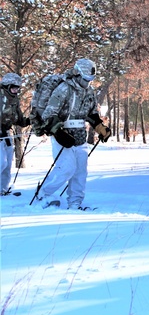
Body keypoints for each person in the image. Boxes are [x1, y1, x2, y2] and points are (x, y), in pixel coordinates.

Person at [35, 59, 111, 210]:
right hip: (63, 135)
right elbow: (50, 114)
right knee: (66, 168)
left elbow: (91, 113)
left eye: (90, 79)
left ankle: (75, 203)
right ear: (77, 74)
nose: (88, 82)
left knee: (80, 172)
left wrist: (100, 127)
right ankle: (44, 194)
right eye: (85, 79)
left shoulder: (89, 91)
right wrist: (58, 132)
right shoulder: (64, 88)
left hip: (80, 135)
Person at [1, 73, 31, 195]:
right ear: (7, 86)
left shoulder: (14, 99)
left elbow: (18, 118)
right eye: (13, 87)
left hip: (7, 133)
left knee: (7, 163)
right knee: (1, 162)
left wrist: (28, 121)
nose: (15, 90)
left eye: (17, 88)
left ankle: (2, 189)